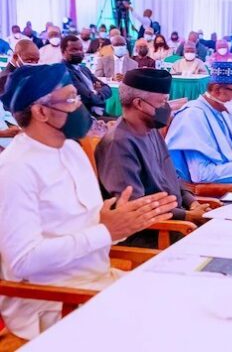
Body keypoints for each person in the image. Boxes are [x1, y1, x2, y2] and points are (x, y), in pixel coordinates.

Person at [0, 63, 176, 341]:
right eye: (71, 99)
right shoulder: (15, 169)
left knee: (184, 303)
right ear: (41, 111)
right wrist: (106, 231)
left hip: (98, 282)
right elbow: (23, 261)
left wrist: (125, 222)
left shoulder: (71, 150)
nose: (81, 106)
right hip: (53, 301)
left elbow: (95, 226)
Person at [95, 69, 211, 248]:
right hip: (154, 235)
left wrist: (192, 203)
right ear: (139, 104)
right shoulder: (118, 143)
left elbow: (172, 179)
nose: (167, 107)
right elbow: (135, 208)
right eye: (163, 101)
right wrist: (186, 216)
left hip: (178, 224)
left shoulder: (151, 131)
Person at [166, 62, 232, 187]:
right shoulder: (192, 116)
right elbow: (201, 176)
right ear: (217, 90)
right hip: (216, 196)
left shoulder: (223, 111)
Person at [61, 35, 112, 117]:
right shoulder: (64, 71)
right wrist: (97, 92)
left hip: (99, 112)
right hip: (84, 115)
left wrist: (95, 93)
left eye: (81, 49)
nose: (79, 52)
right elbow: (88, 97)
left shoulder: (84, 69)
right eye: (74, 50)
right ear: (63, 52)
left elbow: (108, 89)